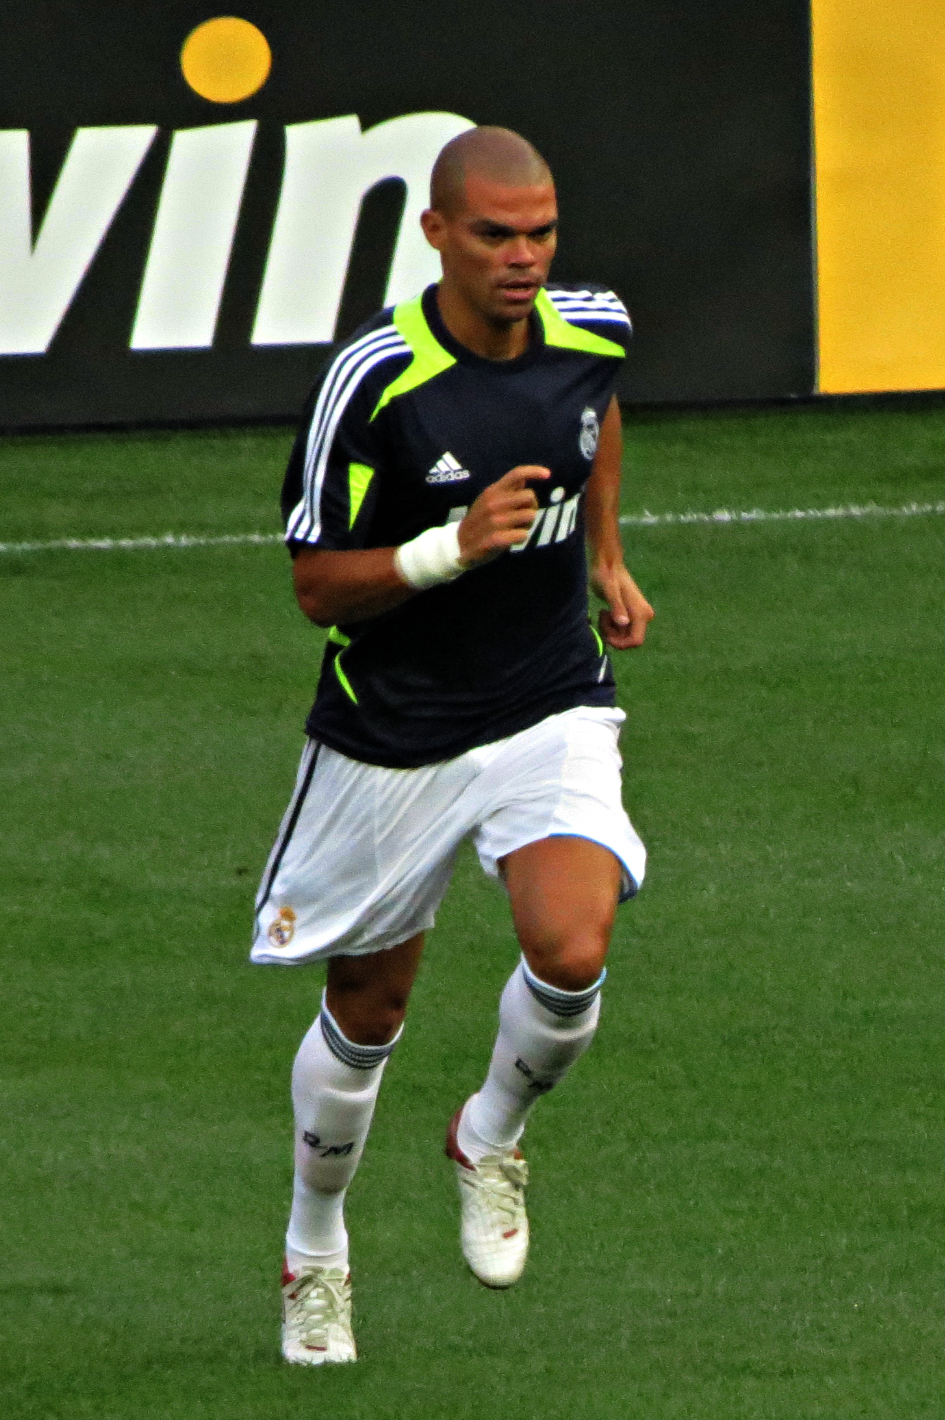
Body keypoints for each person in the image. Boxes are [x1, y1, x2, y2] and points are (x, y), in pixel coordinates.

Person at [250, 125, 654, 1365]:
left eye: (540, 233)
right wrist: (448, 550)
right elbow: (315, 584)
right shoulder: (373, 380)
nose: (522, 257)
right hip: (396, 737)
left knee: (572, 947)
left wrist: (604, 556)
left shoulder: (593, 329)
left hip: (547, 700)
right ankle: (315, 1247)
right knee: (368, 1011)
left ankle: (488, 1135)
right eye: (494, 235)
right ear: (436, 233)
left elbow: (595, 418)